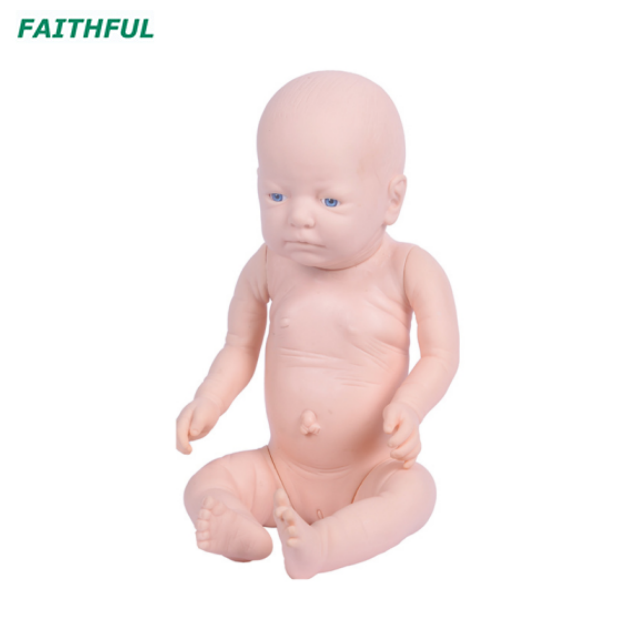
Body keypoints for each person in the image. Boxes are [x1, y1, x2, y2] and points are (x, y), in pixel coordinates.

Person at [176, 71, 459, 579]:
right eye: (276, 196)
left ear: (392, 199)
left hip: (369, 474)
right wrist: (209, 399)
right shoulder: (269, 264)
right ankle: (242, 531)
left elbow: (441, 355)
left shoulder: (409, 269)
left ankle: (322, 547)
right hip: (280, 472)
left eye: (329, 201)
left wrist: (410, 407)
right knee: (204, 483)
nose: (298, 218)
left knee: (417, 492)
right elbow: (239, 345)